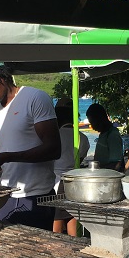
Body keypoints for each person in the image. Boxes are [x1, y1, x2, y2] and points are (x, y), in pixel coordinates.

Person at [0, 62, 60, 230]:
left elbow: (53, 149)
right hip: (4, 197)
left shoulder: (34, 97)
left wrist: (7, 156)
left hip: (36, 197)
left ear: (3, 77)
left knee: (34, 253)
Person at [52, 97, 90, 235]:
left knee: (55, 225)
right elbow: (79, 160)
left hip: (56, 183)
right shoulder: (83, 138)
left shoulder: (54, 136)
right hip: (75, 184)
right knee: (72, 220)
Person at [86, 103, 124, 171]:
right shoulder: (103, 134)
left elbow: (116, 164)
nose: (92, 127)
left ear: (99, 119)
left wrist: (98, 170)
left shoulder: (112, 135)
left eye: (92, 122)